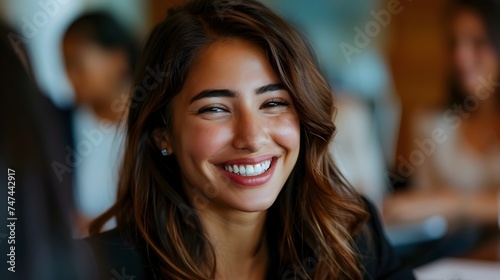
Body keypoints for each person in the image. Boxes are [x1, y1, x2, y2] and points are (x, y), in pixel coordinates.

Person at [85, 0, 414, 279]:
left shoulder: (355, 239)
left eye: (273, 103)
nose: (252, 137)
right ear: (162, 134)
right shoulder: (94, 268)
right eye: (215, 109)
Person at [384, 0, 500, 230]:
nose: (461, 57)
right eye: (453, 43)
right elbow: (426, 214)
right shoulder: (430, 125)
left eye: (478, 42)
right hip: (456, 255)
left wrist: (453, 203)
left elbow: (434, 205)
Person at [60, 11, 138, 235]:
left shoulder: (156, 127)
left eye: (77, 65)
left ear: (117, 61)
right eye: (65, 66)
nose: (69, 77)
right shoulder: (58, 124)